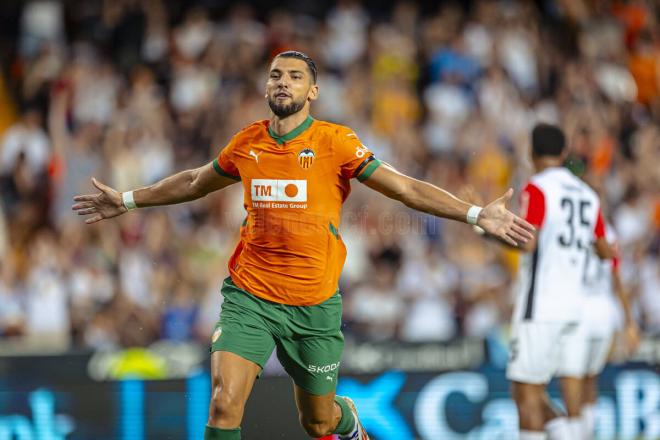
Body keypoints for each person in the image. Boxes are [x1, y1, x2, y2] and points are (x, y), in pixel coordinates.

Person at [72, 50, 534, 440]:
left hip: (314, 306)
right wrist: (128, 200)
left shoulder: (335, 142)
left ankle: (347, 418)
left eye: (295, 76)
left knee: (318, 423)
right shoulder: (247, 143)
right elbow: (195, 181)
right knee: (223, 405)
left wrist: (475, 214)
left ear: (312, 92)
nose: (283, 82)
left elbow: (405, 189)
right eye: (276, 74)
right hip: (249, 297)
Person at [505, 123, 613, 440]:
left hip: (541, 306)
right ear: (564, 152)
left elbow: (527, 242)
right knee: (534, 392)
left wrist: (489, 230)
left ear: (531, 153)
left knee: (526, 395)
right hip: (575, 308)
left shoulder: (537, 187)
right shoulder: (588, 194)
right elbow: (605, 250)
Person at [556, 222, 639, 439]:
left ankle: (576, 434)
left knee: (571, 379)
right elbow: (616, 275)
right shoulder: (609, 229)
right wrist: (629, 320)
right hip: (603, 310)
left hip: (575, 309)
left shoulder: (565, 221)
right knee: (589, 380)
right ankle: (585, 434)